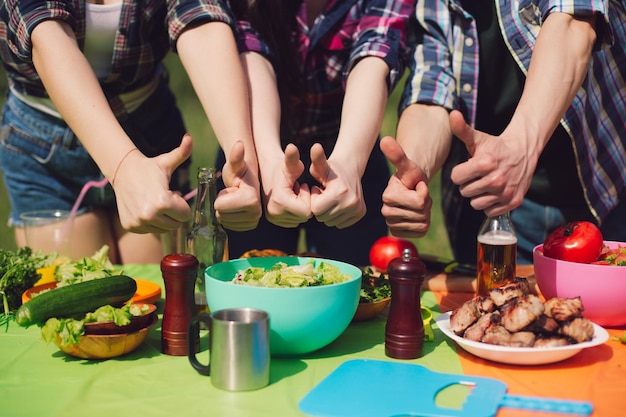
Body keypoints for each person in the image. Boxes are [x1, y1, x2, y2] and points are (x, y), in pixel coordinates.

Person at [0, 0, 262, 264]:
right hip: (44, 147)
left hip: (151, 138)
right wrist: (124, 165)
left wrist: (241, 160)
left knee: (159, 295)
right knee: (71, 292)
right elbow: (47, 37)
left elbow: (200, 18)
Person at [380, 0, 626, 265]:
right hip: (492, 195)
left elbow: (573, 20)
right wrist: (415, 172)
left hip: (606, 182)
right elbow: (430, 93)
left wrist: (520, 146)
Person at [216, 0, 415, 266]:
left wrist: (349, 163)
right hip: (253, 147)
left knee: (355, 287)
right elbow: (250, 51)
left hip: (350, 143)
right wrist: (268, 158)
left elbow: (374, 54)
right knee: (249, 284)